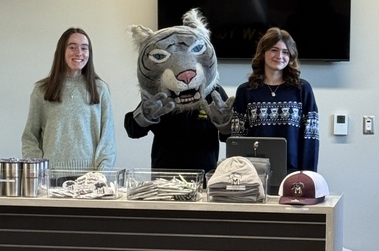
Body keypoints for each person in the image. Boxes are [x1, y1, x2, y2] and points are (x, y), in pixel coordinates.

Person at [123, 9, 233, 172]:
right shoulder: (159, 95)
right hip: (164, 180)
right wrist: (145, 115)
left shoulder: (213, 92)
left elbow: (228, 138)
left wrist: (225, 123)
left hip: (204, 179)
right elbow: (133, 131)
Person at [21, 28, 116, 172]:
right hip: (51, 179)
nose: (79, 52)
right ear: (61, 52)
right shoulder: (42, 90)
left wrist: (101, 175)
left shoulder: (100, 89)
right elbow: (29, 138)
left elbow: (107, 139)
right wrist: (39, 171)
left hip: (90, 180)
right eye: (72, 47)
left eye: (84, 48)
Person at [230, 27, 319, 173]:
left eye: (285, 52)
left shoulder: (302, 89)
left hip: (292, 171)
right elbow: (237, 138)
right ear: (263, 52)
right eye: (274, 50)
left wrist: (308, 175)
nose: (279, 56)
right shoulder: (246, 91)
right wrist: (238, 175)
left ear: (291, 56)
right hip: (254, 171)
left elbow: (311, 137)